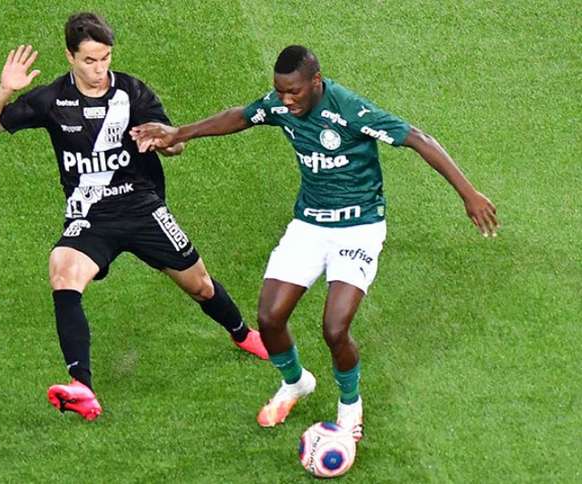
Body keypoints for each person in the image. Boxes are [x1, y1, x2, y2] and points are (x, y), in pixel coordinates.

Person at [131, 45, 499, 439]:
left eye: (294, 93)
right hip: (309, 225)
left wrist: (469, 194)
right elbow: (241, 116)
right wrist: (179, 132)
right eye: (280, 92)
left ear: (316, 83)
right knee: (271, 317)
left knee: (334, 328)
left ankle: (350, 408)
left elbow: (418, 139)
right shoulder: (280, 104)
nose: (286, 101)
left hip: (359, 227)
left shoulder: (349, 110)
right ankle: (296, 383)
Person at [0, 12, 268, 421]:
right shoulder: (51, 99)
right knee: (62, 269)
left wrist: (164, 142)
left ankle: (243, 334)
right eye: (90, 60)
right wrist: (5, 90)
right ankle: (82, 387)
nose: (99, 69)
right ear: (70, 56)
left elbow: (175, 144)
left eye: (105, 58)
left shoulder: (132, 92)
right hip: (90, 214)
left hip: (143, 207)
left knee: (199, 285)